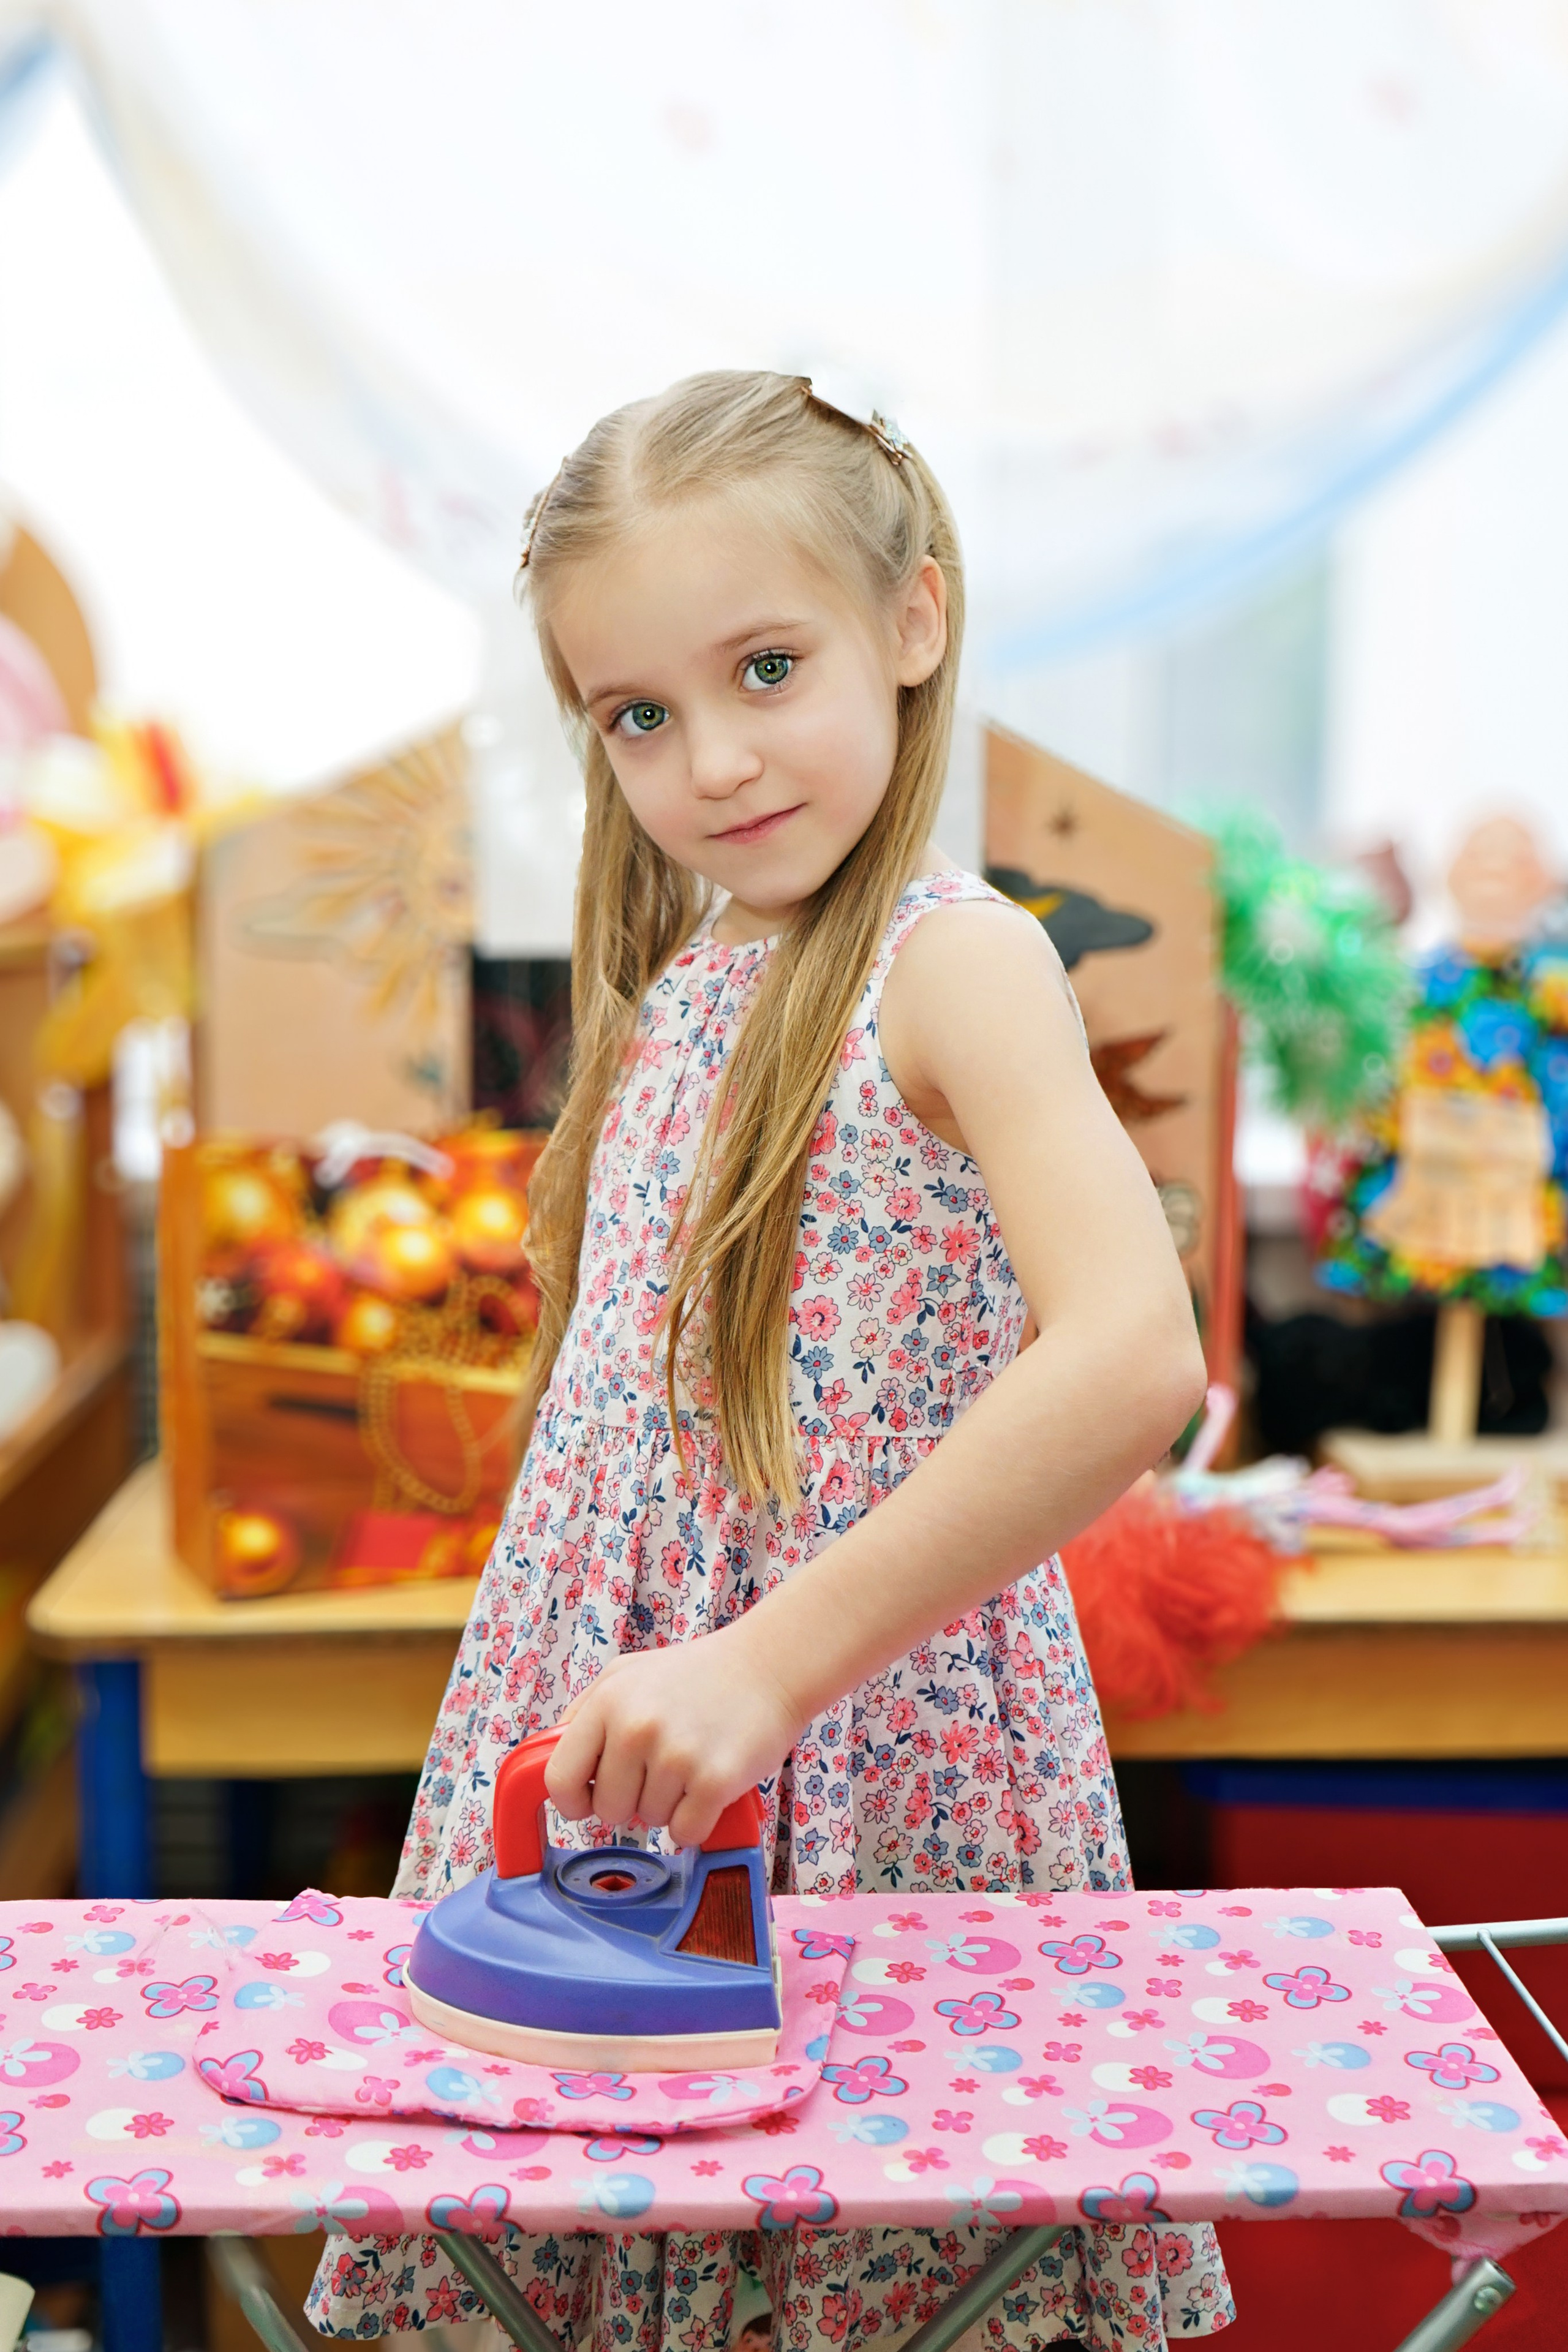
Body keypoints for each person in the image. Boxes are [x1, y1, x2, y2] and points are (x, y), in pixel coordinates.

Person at [308, 372, 1232, 2348]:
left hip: (875, 1764)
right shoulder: (676, 993)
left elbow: (1136, 1352)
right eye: (638, 715)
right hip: (617, 1765)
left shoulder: (958, 962)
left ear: (914, 620)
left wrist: (764, 1667)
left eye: (766, 668)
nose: (713, 760)